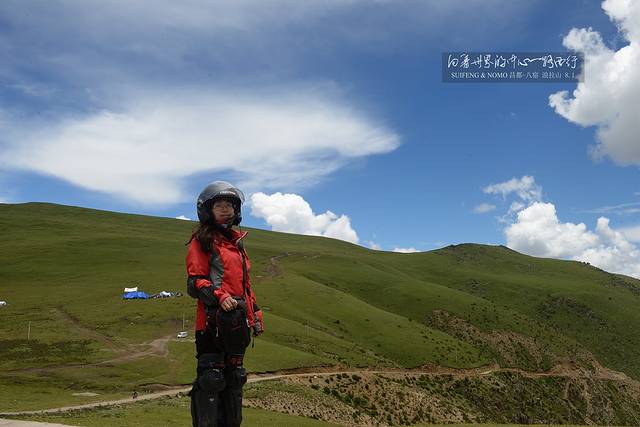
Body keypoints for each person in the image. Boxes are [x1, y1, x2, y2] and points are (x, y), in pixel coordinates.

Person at [186, 181, 264, 427]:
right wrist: (220, 296)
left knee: (235, 379)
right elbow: (195, 281)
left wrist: (255, 314)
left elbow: (245, 286)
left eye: (230, 205)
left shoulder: (238, 244)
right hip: (211, 323)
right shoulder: (202, 240)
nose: (225, 209)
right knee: (212, 379)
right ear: (207, 210)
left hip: (236, 323)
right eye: (219, 205)